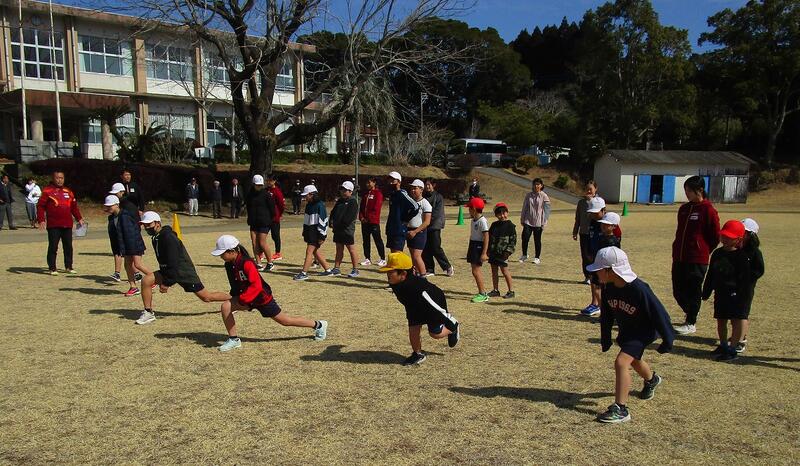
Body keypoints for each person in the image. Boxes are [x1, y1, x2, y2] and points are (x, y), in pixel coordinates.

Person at [588, 246, 675, 424]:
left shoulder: (639, 289)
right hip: (627, 331)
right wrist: (605, 338)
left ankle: (621, 408)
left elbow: (660, 314)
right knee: (634, 360)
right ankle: (651, 380)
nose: (595, 273)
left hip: (643, 332)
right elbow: (607, 316)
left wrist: (668, 339)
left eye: (599, 269)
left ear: (610, 270)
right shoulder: (608, 288)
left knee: (621, 362)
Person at [211, 235, 328, 352]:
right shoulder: (229, 264)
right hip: (246, 298)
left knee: (285, 321)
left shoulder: (246, 263)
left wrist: (242, 300)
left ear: (232, 251)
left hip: (261, 298)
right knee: (226, 306)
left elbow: (256, 286)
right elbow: (235, 284)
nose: (221, 256)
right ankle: (234, 339)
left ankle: (319, 325)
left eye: (222, 253)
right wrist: (237, 297)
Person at [138, 211, 230, 325]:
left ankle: (234, 300)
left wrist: (167, 283)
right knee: (146, 280)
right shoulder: (156, 237)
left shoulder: (168, 237)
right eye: (144, 225)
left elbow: (174, 261)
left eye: (149, 224)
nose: (146, 227)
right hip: (169, 270)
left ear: (157, 223)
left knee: (206, 297)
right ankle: (148, 312)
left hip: (183, 272)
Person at [380, 252, 460, 365]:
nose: (387, 274)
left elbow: (435, 306)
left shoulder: (419, 289)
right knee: (413, 329)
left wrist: (448, 319)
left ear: (403, 274)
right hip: (413, 306)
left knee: (435, 334)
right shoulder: (395, 282)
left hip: (431, 304)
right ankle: (418, 354)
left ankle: (454, 327)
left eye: (390, 272)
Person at [702, 220, 764, 361]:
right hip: (720, 293)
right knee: (721, 320)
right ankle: (723, 345)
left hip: (736, 295)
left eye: (729, 237)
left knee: (737, 320)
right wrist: (706, 291)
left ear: (738, 239)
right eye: (723, 236)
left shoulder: (742, 256)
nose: (725, 239)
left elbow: (746, 278)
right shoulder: (717, 253)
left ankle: (733, 347)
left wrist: (740, 294)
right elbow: (711, 274)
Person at [672, 176, 720, 335]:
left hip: (697, 258)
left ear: (700, 190)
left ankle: (691, 321)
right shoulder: (684, 209)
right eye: (685, 190)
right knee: (678, 290)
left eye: (689, 191)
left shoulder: (708, 210)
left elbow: (715, 236)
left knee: (693, 289)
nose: (687, 194)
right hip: (679, 256)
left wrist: (703, 249)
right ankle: (691, 311)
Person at [103, 195, 151, 297]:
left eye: (110, 206)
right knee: (127, 265)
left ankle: (154, 278)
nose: (108, 208)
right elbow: (115, 235)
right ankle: (133, 287)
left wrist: (131, 249)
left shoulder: (125, 216)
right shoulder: (112, 218)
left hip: (134, 244)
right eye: (107, 206)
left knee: (137, 264)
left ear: (117, 205)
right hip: (126, 246)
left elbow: (131, 233)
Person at [37, 171, 84, 275]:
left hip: (67, 224)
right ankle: (52, 268)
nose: (59, 180)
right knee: (53, 246)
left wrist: (79, 218)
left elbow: (74, 207)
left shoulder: (68, 191)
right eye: (57, 178)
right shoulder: (47, 191)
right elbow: (40, 206)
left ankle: (69, 266)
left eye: (61, 178)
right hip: (54, 224)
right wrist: (41, 220)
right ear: (53, 178)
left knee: (68, 246)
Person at [294, 184, 334, 280]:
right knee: (315, 251)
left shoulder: (320, 205)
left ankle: (304, 273)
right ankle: (328, 270)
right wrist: (305, 232)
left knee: (309, 251)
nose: (304, 197)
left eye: (306, 195)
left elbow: (323, 221)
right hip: (310, 232)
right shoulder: (309, 205)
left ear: (311, 194)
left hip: (317, 233)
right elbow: (306, 220)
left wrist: (322, 236)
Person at [580, 196, 607, 317]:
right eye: (591, 213)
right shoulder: (592, 222)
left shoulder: (608, 223)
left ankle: (605, 308)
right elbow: (591, 239)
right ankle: (595, 304)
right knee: (594, 281)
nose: (593, 215)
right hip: (594, 257)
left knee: (604, 285)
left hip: (605, 260)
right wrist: (589, 254)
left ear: (603, 210)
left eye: (596, 213)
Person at [108, 183, 141, 281]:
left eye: (116, 193)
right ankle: (119, 274)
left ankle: (140, 275)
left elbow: (133, 221)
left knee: (132, 259)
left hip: (129, 234)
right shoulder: (120, 205)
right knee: (120, 253)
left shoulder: (127, 205)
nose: (115, 195)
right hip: (121, 233)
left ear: (122, 192)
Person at [422, 178, 453, 277]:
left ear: (433, 185)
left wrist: (427, 220)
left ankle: (448, 267)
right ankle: (430, 269)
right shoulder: (423, 196)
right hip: (424, 225)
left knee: (436, 247)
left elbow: (437, 212)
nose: (427, 187)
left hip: (434, 225)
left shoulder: (438, 197)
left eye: (429, 184)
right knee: (425, 247)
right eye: (426, 185)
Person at [330, 181, 360, 277]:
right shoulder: (340, 201)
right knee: (339, 249)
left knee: (351, 249)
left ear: (350, 191)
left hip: (347, 230)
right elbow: (333, 212)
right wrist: (331, 222)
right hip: (338, 229)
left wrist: (339, 224)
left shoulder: (353, 202)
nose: (343, 192)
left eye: (345, 190)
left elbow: (349, 217)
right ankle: (336, 268)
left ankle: (355, 269)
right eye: (342, 190)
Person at [245, 174, 275, 272]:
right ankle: (258, 263)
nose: (259, 186)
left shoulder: (266, 194)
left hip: (264, 222)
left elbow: (272, 209)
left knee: (262, 242)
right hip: (253, 221)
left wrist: (270, 220)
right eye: (257, 185)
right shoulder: (250, 195)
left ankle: (270, 262)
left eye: (260, 185)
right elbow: (248, 207)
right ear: (253, 184)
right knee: (254, 242)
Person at [487, 203, 517, 299]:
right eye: (499, 214)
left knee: (505, 271)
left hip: (503, 254)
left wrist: (508, 252)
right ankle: (495, 290)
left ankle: (511, 291)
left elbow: (513, 241)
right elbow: (489, 238)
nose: (502, 216)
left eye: (504, 213)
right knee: (494, 271)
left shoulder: (510, 226)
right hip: (493, 252)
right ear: (496, 215)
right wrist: (488, 250)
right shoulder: (494, 225)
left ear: (507, 213)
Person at [385, 171, 418, 254]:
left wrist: (405, 219)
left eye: (393, 180)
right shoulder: (392, 195)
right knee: (393, 255)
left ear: (399, 182)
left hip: (399, 230)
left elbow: (415, 207)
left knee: (398, 255)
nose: (390, 182)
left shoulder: (402, 194)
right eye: (389, 180)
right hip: (391, 229)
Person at [519, 178, 551, 264]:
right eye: (535, 184)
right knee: (525, 238)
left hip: (538, 222)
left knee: (537, 240)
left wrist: (544, 222)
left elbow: (547, 210)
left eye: (538, 184)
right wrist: (522, 218)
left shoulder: (544, 196)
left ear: (541, 186)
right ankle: (524, 254)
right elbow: (524, 207)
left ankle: (537, 258)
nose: (536, 186)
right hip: (528, 221)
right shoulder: (528, 195)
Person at [466, 197, 490, 303]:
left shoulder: (482, 221)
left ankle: (483, 294)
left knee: (476, 270)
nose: (468, 210)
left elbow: (486, 237)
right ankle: (481, 292)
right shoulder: (473, 220)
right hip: (473, 244)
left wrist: (484, 253)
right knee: (474, 270)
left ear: (474, 209)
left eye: (470, 208)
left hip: (479, 246)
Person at [573, 180, 597, 283]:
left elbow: (602, 216)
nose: (588, 191)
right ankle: (587, 276)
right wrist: (575, 231)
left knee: (594, 255)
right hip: (583, 232)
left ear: (595, 189)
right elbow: (578, 218)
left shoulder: (599, 201)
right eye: (587, 189)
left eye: (590, 189)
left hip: (595, 233)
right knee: (585, 255)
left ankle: (595, 276)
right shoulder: (581, 202)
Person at [406, 179, 432, 275]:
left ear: (421, 189)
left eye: (415, 188)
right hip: (409, 231)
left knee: (417, 256)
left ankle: (423, 276)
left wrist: (415, 231)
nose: (413, 190)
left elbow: (427, 222)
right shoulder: (410, 202)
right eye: (412, 188)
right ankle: (415, 275)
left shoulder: (425, 203)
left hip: (419, 232)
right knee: (413, 256)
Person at [359, 177, 386, 267]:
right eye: (366, 183)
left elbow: (376, 208)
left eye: (369, 182)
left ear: (374, 183)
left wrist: (368, 218)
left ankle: (383, 259)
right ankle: (367, 258)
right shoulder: (366, 194)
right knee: (366, 241)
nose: (367, 184)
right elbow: (361, 208)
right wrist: (361, 218)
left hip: (373, 222)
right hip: (364, 222)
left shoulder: (378, 194)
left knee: (377, 240)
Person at [266, 175, 286, 261]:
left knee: (275, 235)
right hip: (266, 217)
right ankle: (261, 252)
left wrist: (278, 214)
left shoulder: (277, 191)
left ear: (274, 181)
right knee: (263, 235)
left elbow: (281, 205)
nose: (268, 182)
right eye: (267, 180)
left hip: (274, 217)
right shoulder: (266, 190)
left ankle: (278, 253)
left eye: (270, 180)